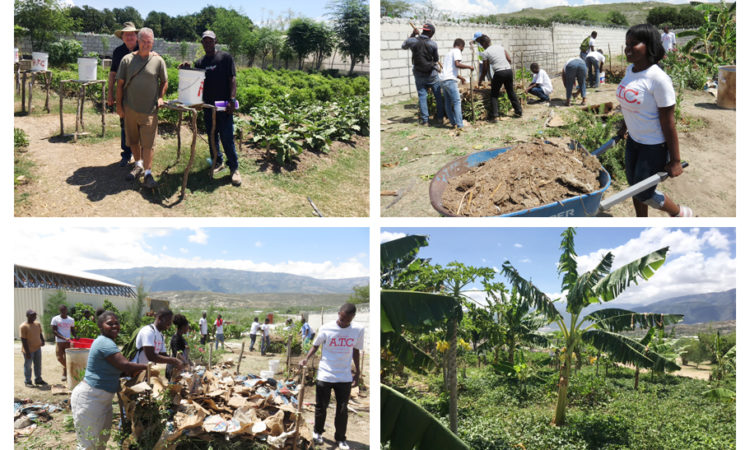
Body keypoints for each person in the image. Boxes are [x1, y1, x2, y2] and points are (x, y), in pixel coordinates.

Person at [616, 24, 692, 217]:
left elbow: (668, 123)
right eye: (627, 44)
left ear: (649, 45)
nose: (628, 48)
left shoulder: (659, 79)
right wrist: (623, 128)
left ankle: (679, 213)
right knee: (634, 187)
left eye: (634, 44)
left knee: (644, 192)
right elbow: (628, 105)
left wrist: (675, 160)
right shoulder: (629, 71)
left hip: (653, 146)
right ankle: (641, 219)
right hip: (633, 141)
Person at [71, 311, 149, 450]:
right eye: (110, 323)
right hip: (90, 398)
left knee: (101, 441)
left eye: (116, 323)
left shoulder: (109, 343)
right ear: (101, 326)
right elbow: (125, 365)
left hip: (102, 399)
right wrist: (149, 367)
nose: (114, 326)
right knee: (88, 444)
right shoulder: (104, 342)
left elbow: (122, 371)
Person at [179, 31, 241, 186]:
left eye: (210, 41)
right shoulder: (200, 63)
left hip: (223, 106)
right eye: (205, 41)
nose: (207, 43)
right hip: (208, 106)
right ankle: (218, 162)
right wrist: (187, 69)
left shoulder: (225, 58)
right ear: (202, 43)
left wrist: (232, 99)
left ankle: (234, 168)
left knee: (227, 137)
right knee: (212, 137)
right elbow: (195, 82)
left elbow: (232, 79)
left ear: (215, 41)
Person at [300, 303, 364, 450]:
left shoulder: (358, 330)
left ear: (352, 318)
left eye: (347, 320)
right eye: (341, 319)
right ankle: (317, 432)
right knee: (321, 406)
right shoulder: (326, 328)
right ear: (338, 313)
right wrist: (307, 358)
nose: (343, 323)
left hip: (344, 376)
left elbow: (355, 351)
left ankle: (340, 438)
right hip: (325, 374)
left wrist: (358, 371)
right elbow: (316, 345)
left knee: (342, 409)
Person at [116, 27, 168, 189]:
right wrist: (119, 106)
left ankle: (148, 173)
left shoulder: (158, 61)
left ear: (153, 43)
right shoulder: (126, 60)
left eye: (149, 42)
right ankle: (138, 164)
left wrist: (160, 97)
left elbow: (164, 81)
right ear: (138, 42)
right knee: (133, 140)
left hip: (150, 111)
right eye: (143, 41)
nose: (146, 45)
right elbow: (120, 84)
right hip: (130, 108)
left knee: (148, 143)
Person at [108, 22, 139, 167]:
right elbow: (112, 74)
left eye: (132, 34)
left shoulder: (144, 48)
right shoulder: (118, 52)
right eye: (126, 34)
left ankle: (140, 156)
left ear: (136, 36)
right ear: (122, 37)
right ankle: (126, 154)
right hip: (124, 93)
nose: (129, 37)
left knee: (140, 124)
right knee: (124, 124)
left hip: (140, 95)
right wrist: (110, 94)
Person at [402, 23, 444, 126]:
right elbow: (436, 59)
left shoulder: (412, 41)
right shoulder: (433, 44)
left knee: (422, 96)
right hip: (432, 74)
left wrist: (412, 34)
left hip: (418, 73)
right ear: (431, 33)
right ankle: (439, 118)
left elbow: (404, 46)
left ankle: (425, 121)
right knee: (438, 96)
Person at [477, 35, 522, 119]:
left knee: (494, 94)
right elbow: (509, 59)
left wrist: (480, 80)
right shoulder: (500, 47)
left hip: (499, 72)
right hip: (508, 71)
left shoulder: (485, 53)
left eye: (481, 44)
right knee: (510, 91)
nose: (482, 46)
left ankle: (495, 115)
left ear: (484, 43)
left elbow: (485, 69)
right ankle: (518, 111)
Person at [439, 38, 473, 130]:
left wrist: (461, 78)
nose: (462, 50)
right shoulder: (457, 51)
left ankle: (453, 123)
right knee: (457, 102)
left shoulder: (448, 54)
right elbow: (457, 64)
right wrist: (469, 67)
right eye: (463, 48)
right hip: (450, 81)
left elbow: (450, 70)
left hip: (443, 80)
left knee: (448, 103)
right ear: (461, 46)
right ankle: (460, 124)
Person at [51, 304, 77, 382]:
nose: (63, 312)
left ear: (66, 310)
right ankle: (68, 368)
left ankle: (65, 373)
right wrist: (63, 338)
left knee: (67, 358)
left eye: (64, 310)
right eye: (62, 310)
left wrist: (75, 336)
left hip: (68, 342)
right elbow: (54, 331)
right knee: (59, 358)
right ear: (60, 311)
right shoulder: (55, 319)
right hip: (59, 341)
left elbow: (72, 330)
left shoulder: (71, 320)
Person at [20, 309, 46, 387]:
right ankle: (27, 381)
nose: (34, 317)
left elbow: (40, 333)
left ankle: (38, 379)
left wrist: (43, 340)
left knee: (38, 364)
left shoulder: (37, 324)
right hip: (29, 350)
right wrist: (27, 352)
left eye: (35, 315)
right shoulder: (23, 326)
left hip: (37, 348)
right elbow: (23, 340)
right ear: (27, 316)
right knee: (28, 366)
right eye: (32, 315)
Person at [167, 314, 191, 379]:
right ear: (183, 327)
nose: (188, 328)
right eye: (187, 326)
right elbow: (177, 354)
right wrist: (186, 364)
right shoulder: (175, 339)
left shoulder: (181, 338)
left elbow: (183, 353)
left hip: (180, 368)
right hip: (174, 370)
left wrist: (188, 362)